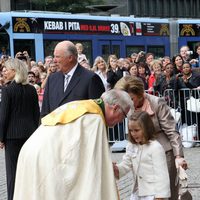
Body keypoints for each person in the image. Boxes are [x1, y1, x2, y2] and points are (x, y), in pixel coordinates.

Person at [13, 89, 134, 200]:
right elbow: (90, 166)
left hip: (30, 152)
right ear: (115, 108)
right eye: (123, 115)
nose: (121, 121)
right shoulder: (94, 119)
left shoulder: (83, 106)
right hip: (46, 159)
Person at [114, 75, 188, 200]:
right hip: (141, 153)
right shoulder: (128, 106)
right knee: (143, 188)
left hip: (163, 152)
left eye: (131, 98)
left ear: (140, 93)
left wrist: (179, 156)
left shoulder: (156, 103)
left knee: (166, 191)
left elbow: (171, 130)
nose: (127, 103)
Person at [0, 58, 40, 200]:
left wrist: (1, 138)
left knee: (13, 173)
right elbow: (37, 115)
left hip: (12, 137)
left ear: (15, 71)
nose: (4, 72)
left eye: (7, 69)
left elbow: (3, 116)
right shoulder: (31, 90)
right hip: (31, 135)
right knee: (29, 171)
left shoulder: (7, 90)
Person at [113, 111, 170, 200]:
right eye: (131, 130)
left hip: (153, 194)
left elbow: (162, 175)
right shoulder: (131, 146)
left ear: (146, 128)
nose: (133, 134)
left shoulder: (156, 147)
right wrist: (116, 169)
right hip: (137, 193)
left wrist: (160, 196)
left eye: (136, 130)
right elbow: (126, 164)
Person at [41, 40, 105, 117]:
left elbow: (97, 114)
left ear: (70, 58)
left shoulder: (91, 79)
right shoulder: (52, 79)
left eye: (57, 57)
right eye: (54, 56)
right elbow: (44, 113)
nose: (54, 60)